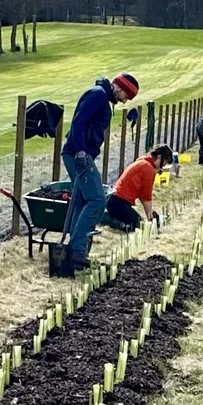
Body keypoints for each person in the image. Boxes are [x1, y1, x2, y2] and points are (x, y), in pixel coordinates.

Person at [56, 71, 138, 275]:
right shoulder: (98, 95)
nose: (125, 100)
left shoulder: (101, 97)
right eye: (126, 95)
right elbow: (79, 122)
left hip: (79, 154)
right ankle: (78, 249)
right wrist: (82, 151)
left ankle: (74, 253)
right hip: (77, 154)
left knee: (82, 200)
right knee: (98, 199)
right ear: (118, 87)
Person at [111, 144, 174, 231]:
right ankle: (106, 219)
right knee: (138, 225)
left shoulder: (144, 162)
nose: (162, 167)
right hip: (118, 201)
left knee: (138, 223)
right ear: (159, 157)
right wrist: (150, 218)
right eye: (163, 163)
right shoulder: (148, 169)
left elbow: (142, 196)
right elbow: (146, 197)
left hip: (115, 200)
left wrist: (150, 213)